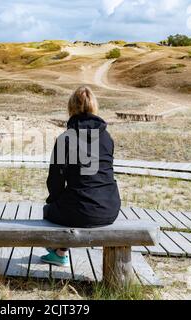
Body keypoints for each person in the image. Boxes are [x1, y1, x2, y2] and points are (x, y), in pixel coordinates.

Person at [41, 86, 121, 267]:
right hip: (110, 208)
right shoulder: (107, 138)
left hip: (80, 209)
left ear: (71, 108)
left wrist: (54, 201)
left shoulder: (66, 139)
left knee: (50, 211)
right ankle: (60, 251)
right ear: (94, 107)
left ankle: (59, 253)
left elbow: (55, 181)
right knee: (75, 205)